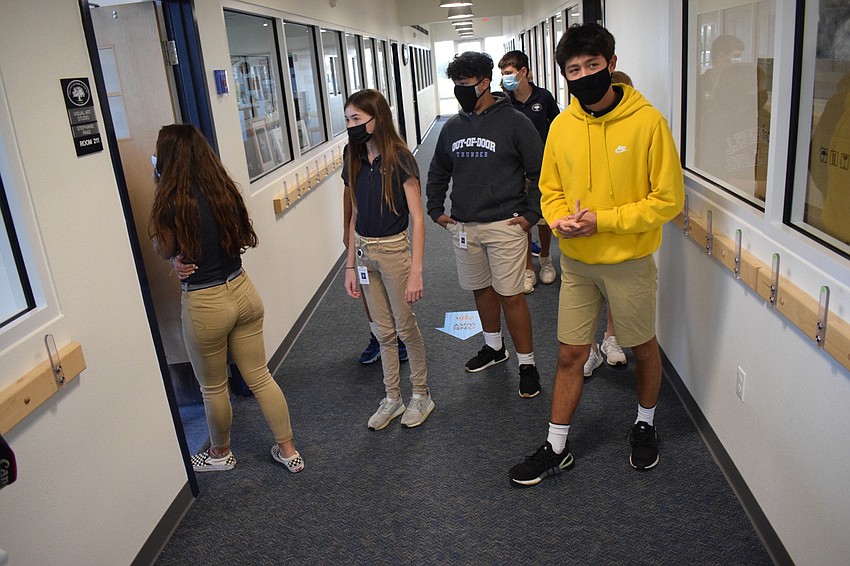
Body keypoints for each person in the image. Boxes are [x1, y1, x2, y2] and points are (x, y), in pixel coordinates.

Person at [508, 23, 684, 487]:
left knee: (642, 348)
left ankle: (645, 423)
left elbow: (668, 199)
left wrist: (603, 221)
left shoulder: (648, 123)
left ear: (611, 63)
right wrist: (561, 217)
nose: (583, 74)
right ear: (564, 74)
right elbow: (549, 189)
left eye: (592, 65)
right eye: (573, 69)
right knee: (569, 353)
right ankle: (557, 446)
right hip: (578, 263)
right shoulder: (563, 126)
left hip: (629, 261)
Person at [149, 124, 304, 473]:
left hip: (206, 304)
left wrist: (158, 189)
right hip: (243, 291)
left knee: (213, 387)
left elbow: (163, 248)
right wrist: (180, 256)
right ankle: (288, 449)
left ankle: (220, 454)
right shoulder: (222, 191)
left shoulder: (170, 202)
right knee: (260, 376)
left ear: (166, 159)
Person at [426, 51, 544, 398]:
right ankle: (494, 348)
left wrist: (531, 216)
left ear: (484, 83)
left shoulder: (515, 122)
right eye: (456, 85)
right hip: (464, 226)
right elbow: (437, 171)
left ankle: (527, 363)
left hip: (506, 223)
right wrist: (436, 209)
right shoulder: (453, 126)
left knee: (512, 296)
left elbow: (540, 172)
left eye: (465, 84)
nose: (460, 90)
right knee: (481, 289)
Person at [342, 89, 435, 430]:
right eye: (348, 119)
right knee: (383, 331)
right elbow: (352, 215)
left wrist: (417, 271)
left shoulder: (400, 158)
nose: (351, 126)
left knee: (405, 328)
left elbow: (419, 218)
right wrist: (350, 264)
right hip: (365, 253)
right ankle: (392, 397)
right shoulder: (351, 157)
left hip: (395, 251)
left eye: (356, 119)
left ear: (376, 119)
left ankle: (421, 394)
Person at [497, 50, 559, 294]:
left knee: (543, 217)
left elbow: (556, 130)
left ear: (523, 72)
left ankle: (545, 259)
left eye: (510, 73)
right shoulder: (503, 102)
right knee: (522, 220)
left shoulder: (544, 98)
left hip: (542, 169)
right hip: (514, 170)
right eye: (503, 74)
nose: (506, 78)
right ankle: (527, 269)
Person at [343, 188, 409, 365]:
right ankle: (378, 335)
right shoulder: (353, 159)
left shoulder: (398, 160)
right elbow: (349, 190)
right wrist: (345, 227)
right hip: (363, 241)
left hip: (391, 238)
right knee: (369, 290)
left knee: (396, 293)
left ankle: (401, 336)